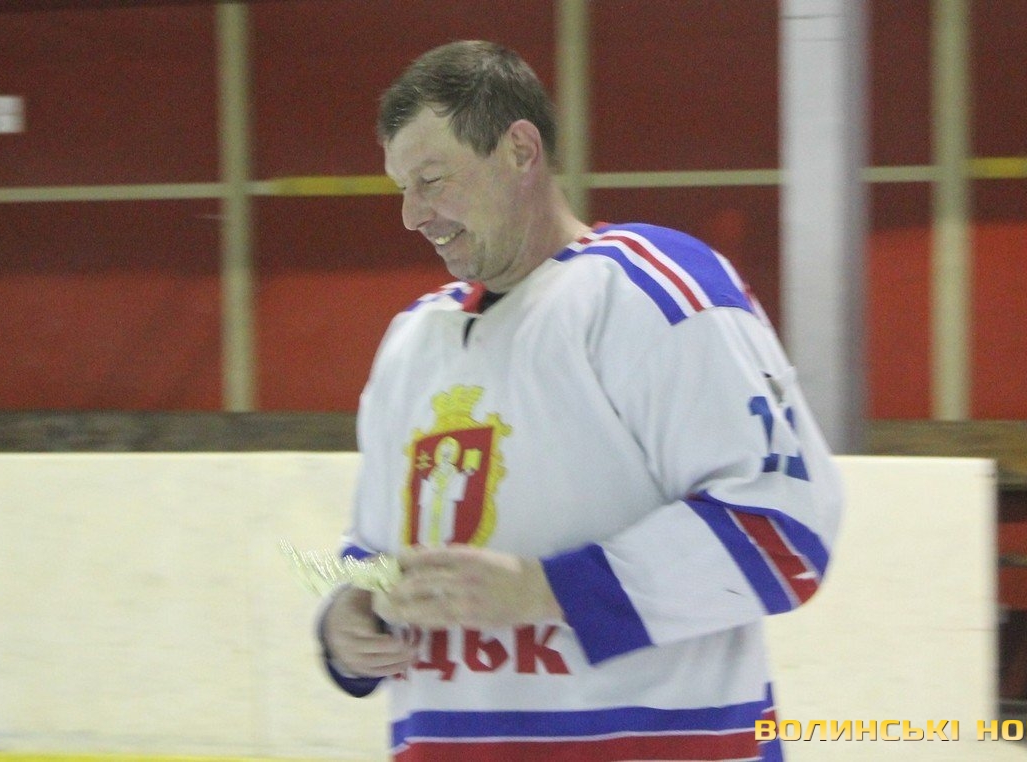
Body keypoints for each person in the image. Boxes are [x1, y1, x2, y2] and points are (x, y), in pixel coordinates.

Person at [317, 39, 843, 762]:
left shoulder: (649, 288)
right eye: (402, 188)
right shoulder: (411, 340)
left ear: (520, 150)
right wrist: (345, 613)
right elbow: (370, 550)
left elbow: (785, 528)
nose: (413, 215)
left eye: (432, 180)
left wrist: (549, 591)